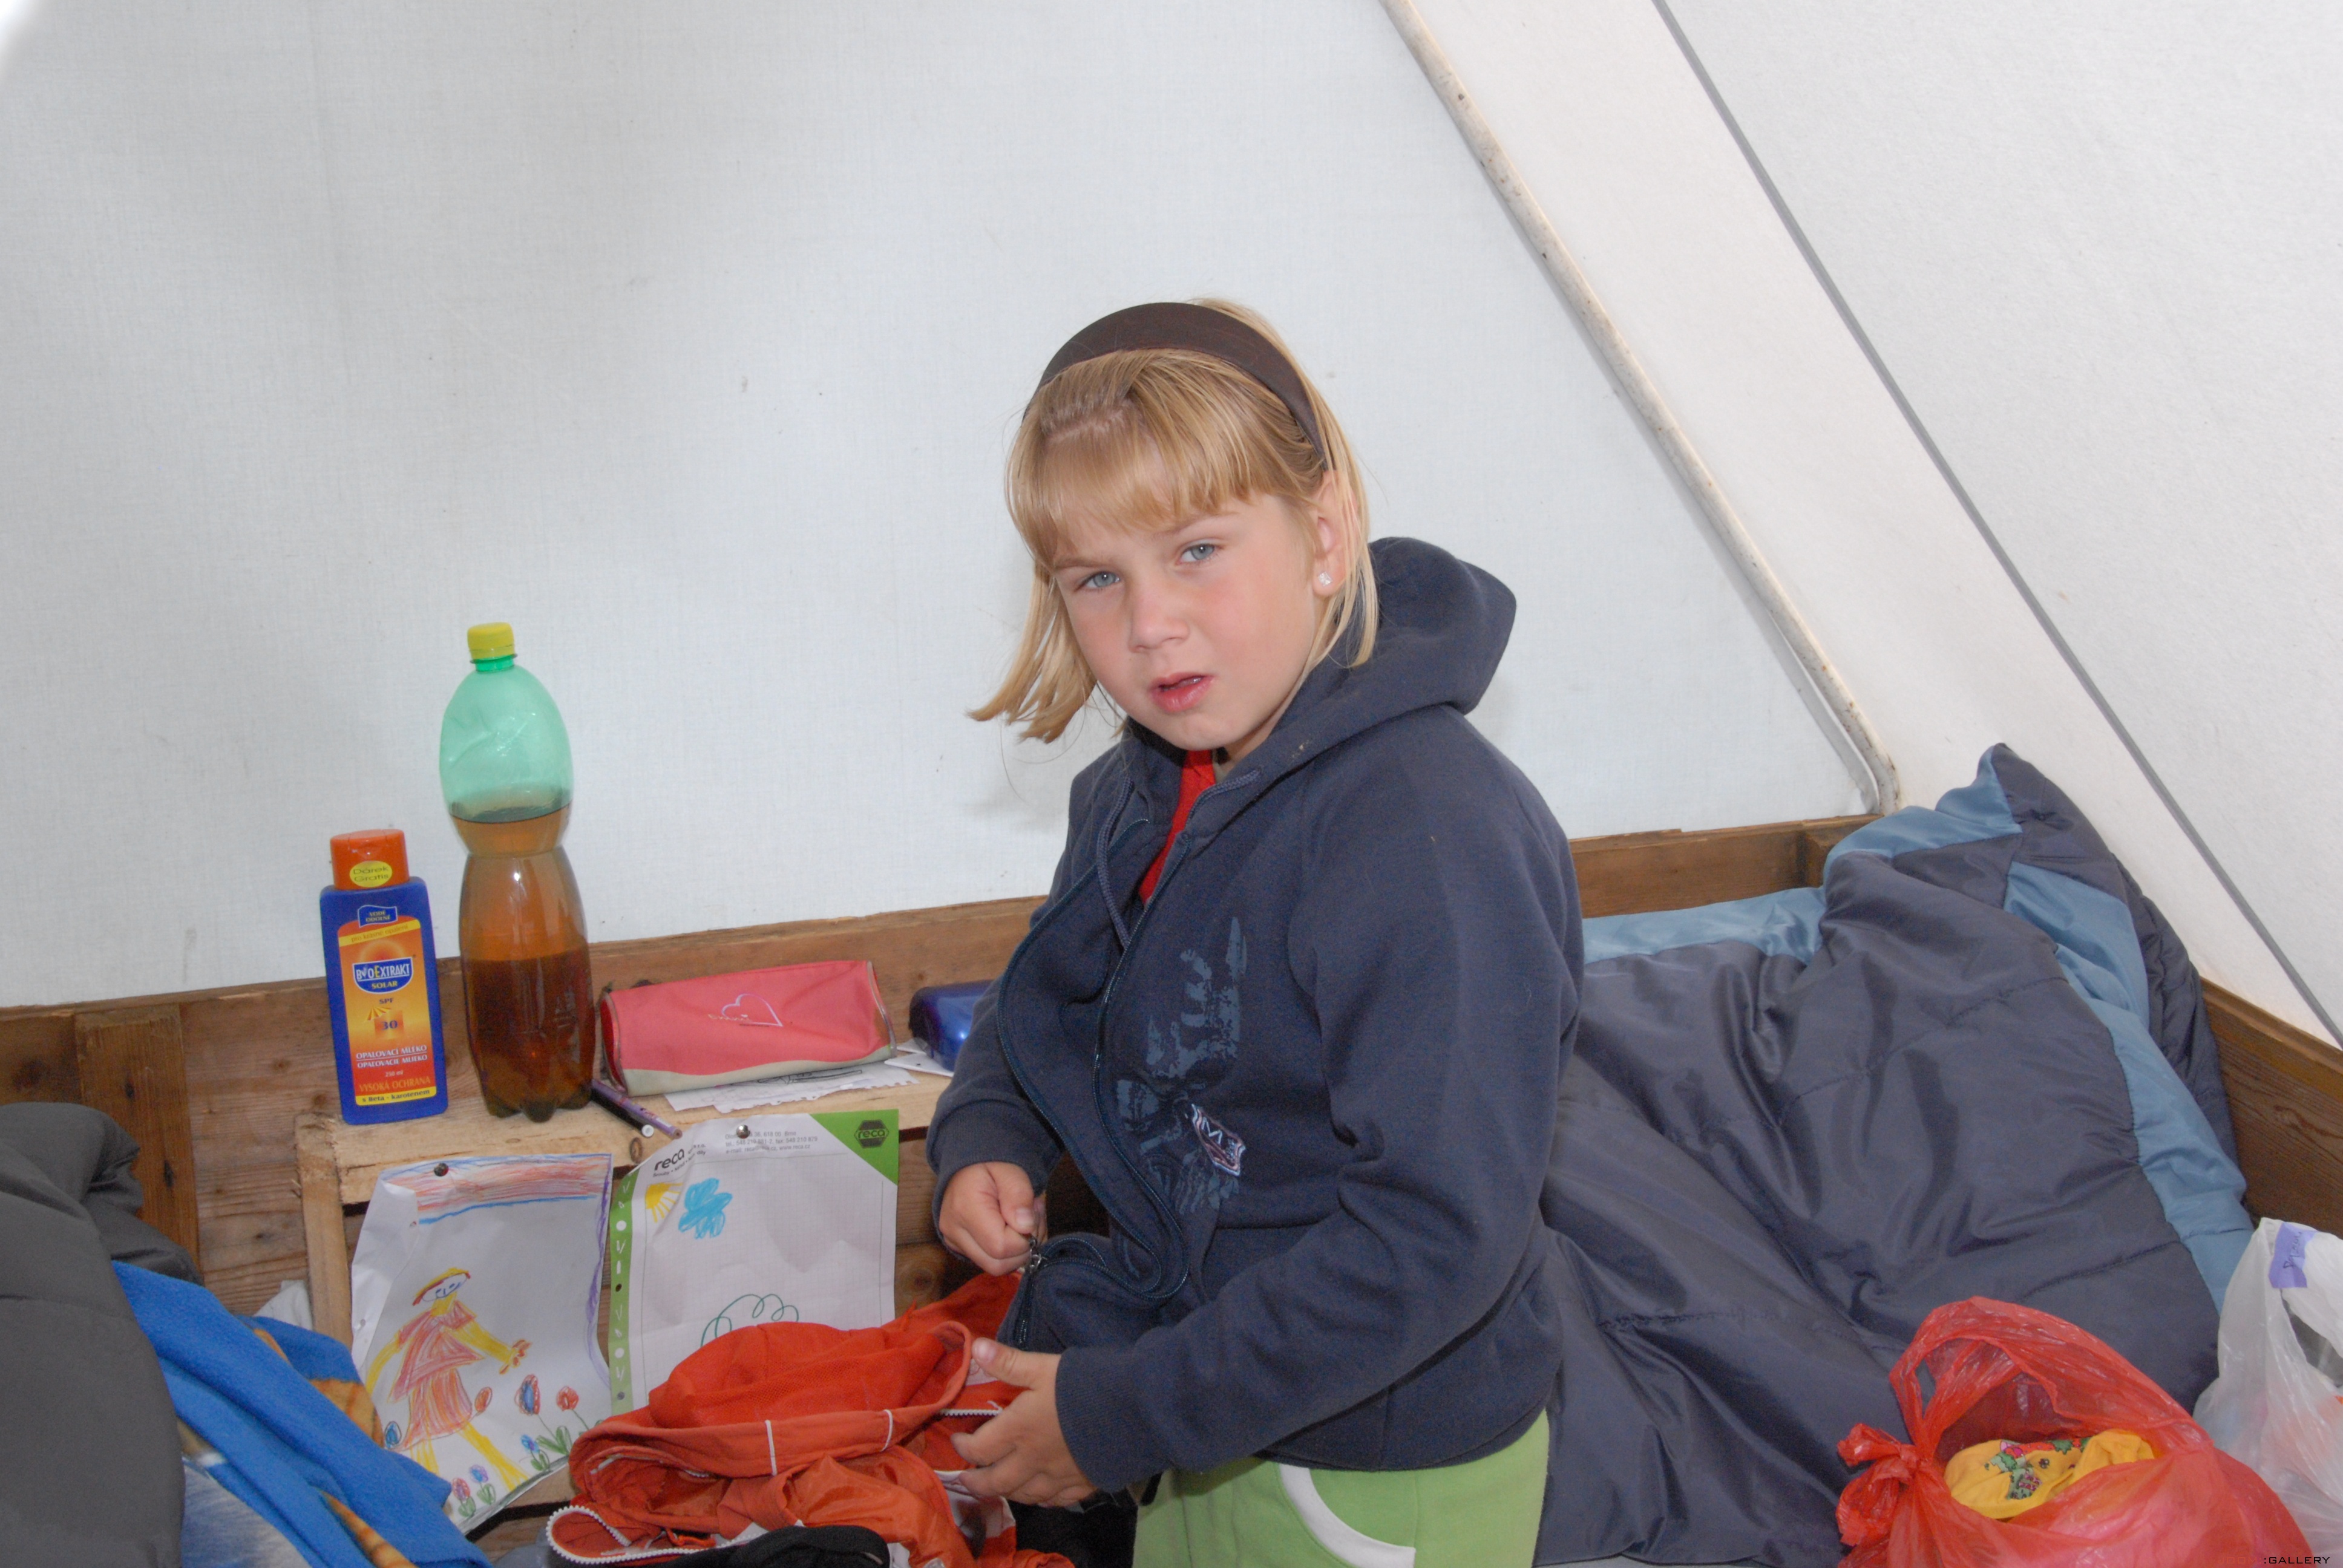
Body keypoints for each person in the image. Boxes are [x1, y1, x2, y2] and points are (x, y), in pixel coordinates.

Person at [928, 300, 1581, 1566]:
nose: (1149, 622)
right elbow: (1048, 990)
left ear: (1324, 538)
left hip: (1378, 1459)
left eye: (1197, 551)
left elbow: (1435, 1236)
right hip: (1204, 1407)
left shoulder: (1425, 831)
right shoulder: (1137, 792)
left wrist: (1125, 1413)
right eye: (1097, 578)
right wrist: (989, 1131)